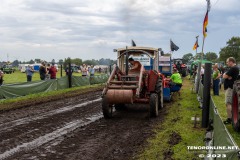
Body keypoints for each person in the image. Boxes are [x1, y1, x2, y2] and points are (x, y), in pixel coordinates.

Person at [222, 57, 239, 124]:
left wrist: (226, 75)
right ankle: (231, 118)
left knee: (228, 103)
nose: (227, 63)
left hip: (230, 88)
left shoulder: (233, 68)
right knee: (229, 103)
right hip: (231, 87)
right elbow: (225, 75)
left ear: (231, 62)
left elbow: (224, 76)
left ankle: (230, 119)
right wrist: (226, 75)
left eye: (227, 62)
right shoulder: (235, 68)